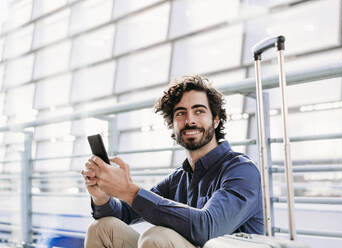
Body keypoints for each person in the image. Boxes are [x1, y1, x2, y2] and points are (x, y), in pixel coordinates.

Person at [81, 75, 263, 248]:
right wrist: (101, 196)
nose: (189, 120)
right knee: (102, 229)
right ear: (172, 125)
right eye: (180, 113)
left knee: (156, 239)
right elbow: (123, 214)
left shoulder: (242, 170)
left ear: (216, 120)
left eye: (199, 111)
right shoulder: (178, 179)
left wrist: (130, 191)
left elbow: (207, 228)